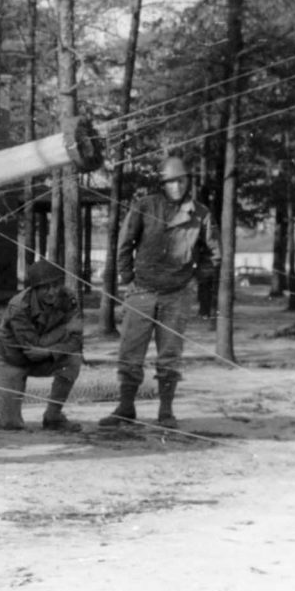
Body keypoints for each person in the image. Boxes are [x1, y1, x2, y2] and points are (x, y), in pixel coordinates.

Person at [100, 156, 220, 430]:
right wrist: (128, 277)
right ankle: (126, 407)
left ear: (188, 181)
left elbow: (214, 254)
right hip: (142, 291)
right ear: (162, 183)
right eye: (171, 182)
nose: (177, 186)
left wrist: (193, 279)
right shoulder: (145, 206)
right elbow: (125, 243)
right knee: (130, 352)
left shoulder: (200, 214)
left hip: (176, 295)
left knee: (170, 355)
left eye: (181, 181)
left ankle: (166, 411)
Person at [0, 260, 83, 432]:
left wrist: (49, 351)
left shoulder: (68, 299)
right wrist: (65, 329)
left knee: (72, 360)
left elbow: (76, 341)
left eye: (56, 285)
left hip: (43, 356)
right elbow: (33, 347)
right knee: (11, 424)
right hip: (11, 361)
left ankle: (53, 416)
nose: (52, 291)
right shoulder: (19, 306)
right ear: (34, 289)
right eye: (45, 287)